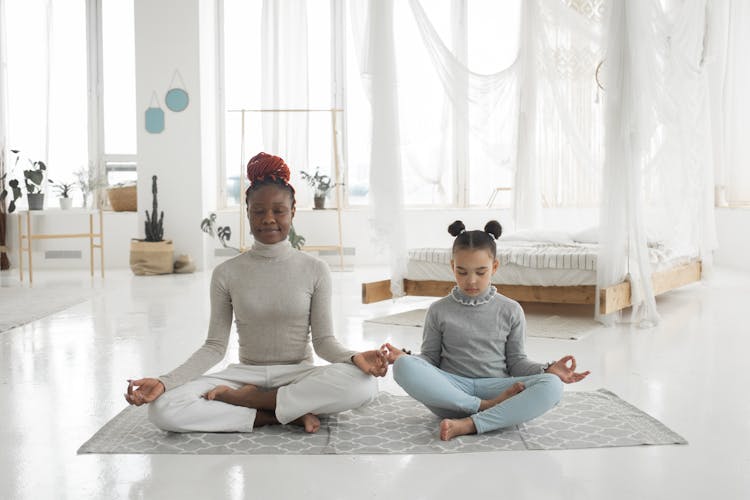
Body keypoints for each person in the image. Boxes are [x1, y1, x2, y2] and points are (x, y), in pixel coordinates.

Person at [125, 152, 387, 433]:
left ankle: (251, 402)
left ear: (293, 212)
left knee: (364, 385)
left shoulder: (315, 269)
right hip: (244, 375)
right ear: (247, 212)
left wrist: (353, 358)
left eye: (279, 210)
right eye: (258, 211)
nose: (268, 219)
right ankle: (276, 414)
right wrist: (165, 382)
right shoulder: (227, 273)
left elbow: (324, 342)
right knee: (163, 409)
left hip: (298, 373)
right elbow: (214, 346)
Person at [382, 220, 590, 441]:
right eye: (462, 272)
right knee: (404, 366)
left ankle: (470, 424)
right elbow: (431, 359)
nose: (471, 280)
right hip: (453, 395)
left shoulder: (511, 310)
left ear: (495, 267)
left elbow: (517, 363)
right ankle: (485, 408)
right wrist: (406, 358)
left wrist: (547, 369)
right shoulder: (438, 310)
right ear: (452, 267)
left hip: (498, 390)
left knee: (553, 386)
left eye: (481, 272)